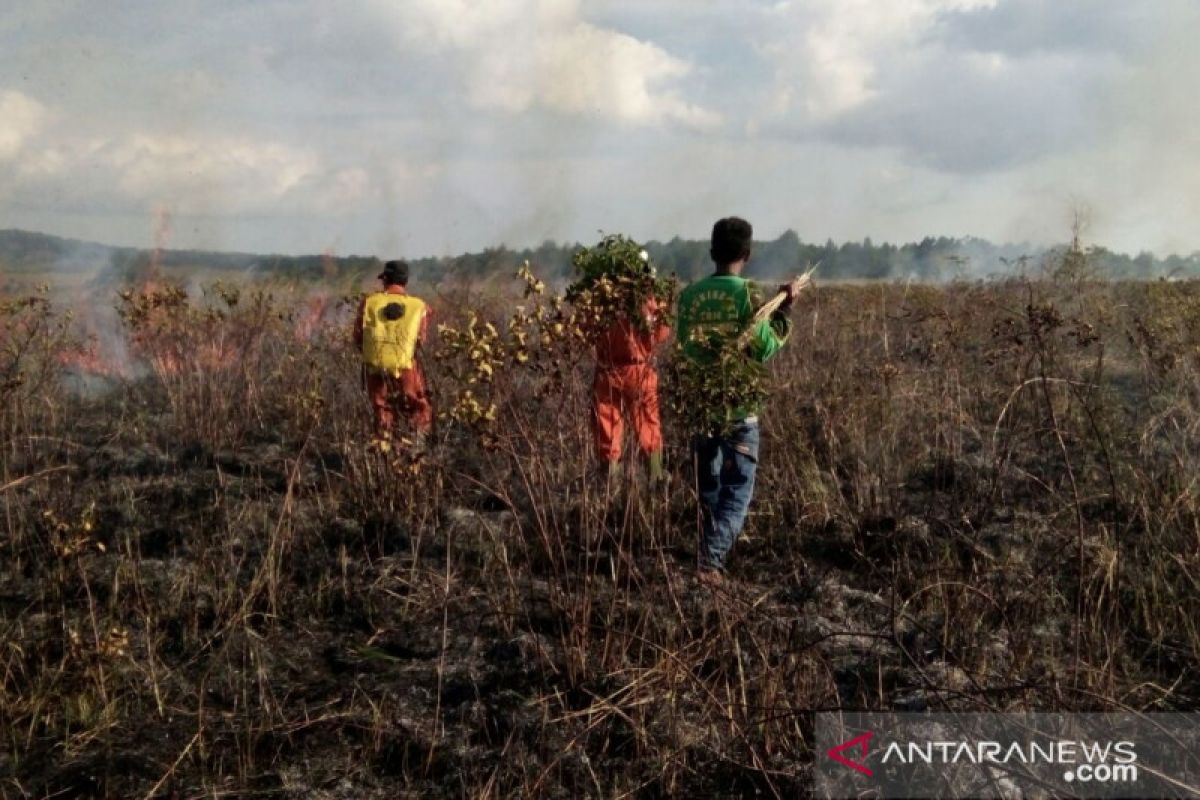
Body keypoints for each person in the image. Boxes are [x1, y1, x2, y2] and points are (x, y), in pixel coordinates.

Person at [675, 217, 806, 585]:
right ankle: (709, 564)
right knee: (737, 491)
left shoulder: (688, 297)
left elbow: (686, 348)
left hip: (702, 405)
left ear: (711, 251)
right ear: (747, 255)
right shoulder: (749, 295)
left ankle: (709, 553)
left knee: (710, 488)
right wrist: (784, 310)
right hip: (739, 410)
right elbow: (764, 347)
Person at [590, 286, 672, 484]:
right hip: (640, 371)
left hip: (608, 372)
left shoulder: (602, 298)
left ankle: (610, 484)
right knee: (648, 424)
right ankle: (657, 477)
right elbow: (662, 333)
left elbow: (588, 330)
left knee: (607, 427)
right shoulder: (652, 300)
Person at [354, 259, 433, 449]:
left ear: (385, 280)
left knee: (383, 412)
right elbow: (421, 340)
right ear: (405, 282)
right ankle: (415, 454)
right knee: (418, 408)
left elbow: (358, 337)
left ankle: (384, 456)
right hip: (406, 368)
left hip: (375, 369)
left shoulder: (369, 303)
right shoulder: (419, 306)